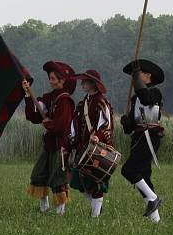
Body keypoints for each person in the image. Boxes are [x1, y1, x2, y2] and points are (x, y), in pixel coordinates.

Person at [23, 61, 76, 215]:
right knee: (39, 174)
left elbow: (62, 126)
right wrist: (27, 94)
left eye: (53, 78)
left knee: (58, 178)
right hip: (49, 144)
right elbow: (33, 116)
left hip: (61, 145)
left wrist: (49, 124)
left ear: (62, 80)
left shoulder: (65, 101)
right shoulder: (49, 98)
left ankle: (60, 211)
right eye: (50, 78)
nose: (50, 81)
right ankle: (44, 207)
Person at [119, 58, 165, 223]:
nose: (134, 79)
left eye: (137, 75)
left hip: (150, 137)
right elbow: (131, 127)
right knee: (144, 176)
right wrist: (126, 123)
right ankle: (156, 219)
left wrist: (136, 74)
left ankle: (153, 198)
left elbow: (146, 99)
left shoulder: (154, 92)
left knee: (128, 170)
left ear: (148, 76)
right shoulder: (133, 99)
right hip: (138, 138)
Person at [70, 69, 114, 217]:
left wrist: (98, 137)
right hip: (83, 147)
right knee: (79, 183)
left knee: (96, 183)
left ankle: (95, 217)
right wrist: (73, 139)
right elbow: (75, 123)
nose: (82, 83)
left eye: (85, 81)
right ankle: (98, 208)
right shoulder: (83, 102)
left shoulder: (101, 101)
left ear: (93, 84)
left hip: (97, 148)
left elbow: (106, 124)